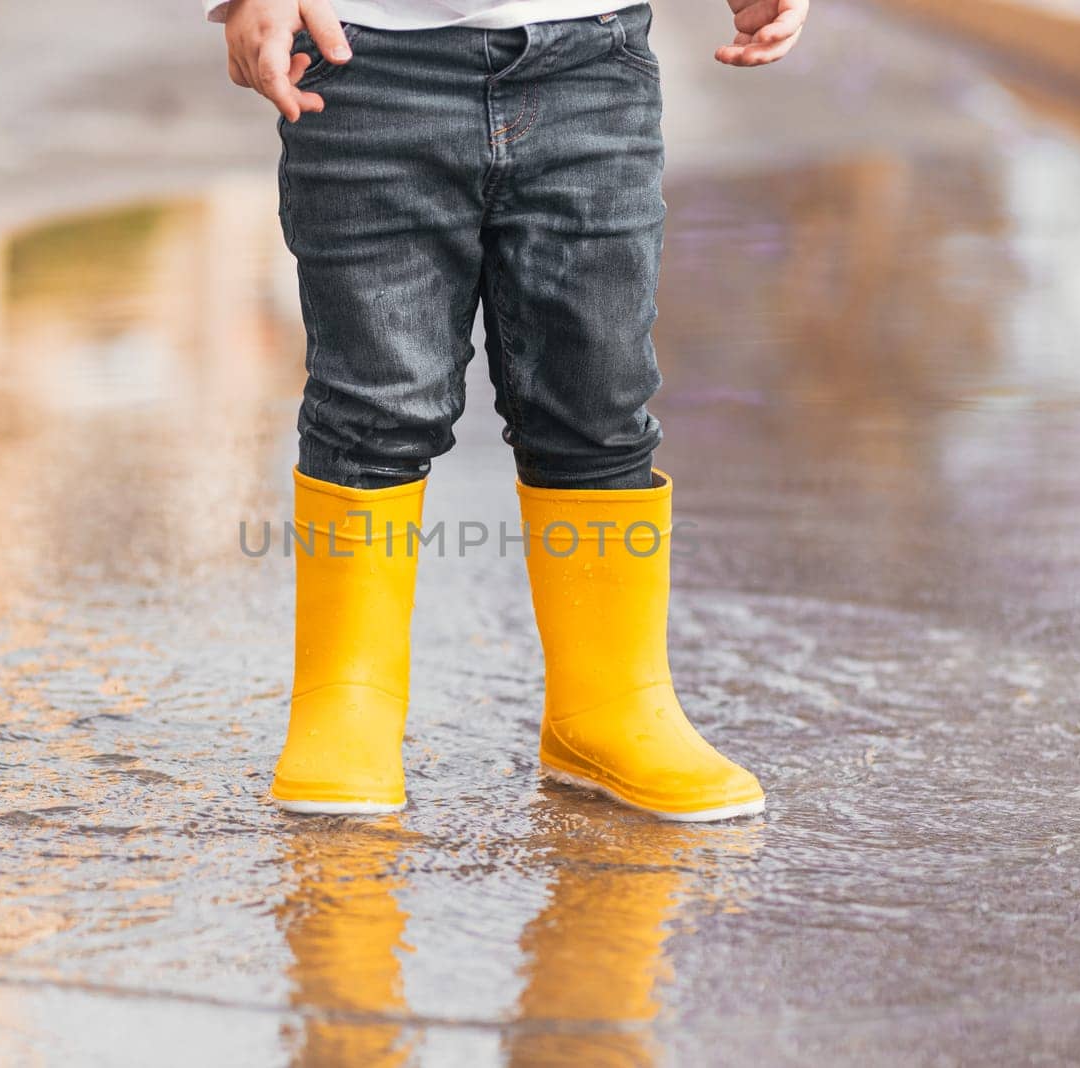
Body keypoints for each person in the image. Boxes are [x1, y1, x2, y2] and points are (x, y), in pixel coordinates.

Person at [210, 0, 807, 820]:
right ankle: (348, 702)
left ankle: (609, 707)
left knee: (597, 397)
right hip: (361, 60)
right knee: (374, 404)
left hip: (592, 60)